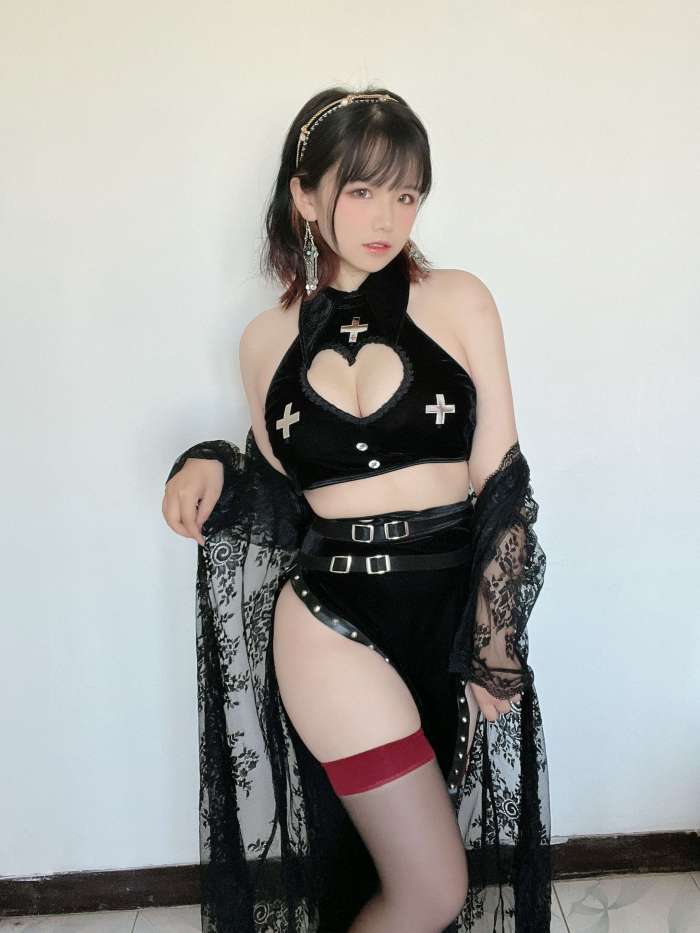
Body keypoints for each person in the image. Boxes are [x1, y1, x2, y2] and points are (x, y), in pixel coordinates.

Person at [162, 86, 551, 933]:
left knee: (405, 872)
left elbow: (503, 481)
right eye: (363, 189)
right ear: (305, 196)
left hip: (446, 610)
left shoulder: (460, 299)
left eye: (407, 194)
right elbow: (278, 496)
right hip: (328, 618)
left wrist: (494, 635)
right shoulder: (263, 340)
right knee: (432, 888)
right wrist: (210, 461)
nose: (387, 217)